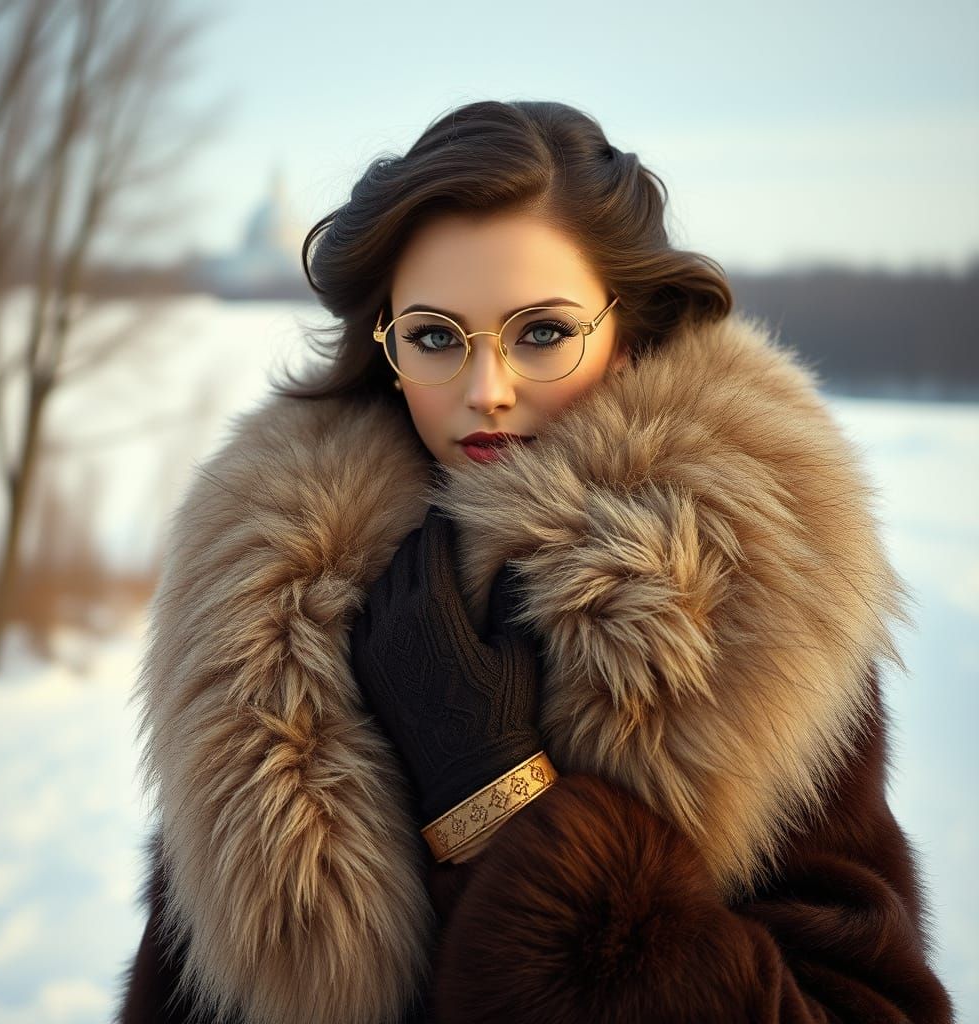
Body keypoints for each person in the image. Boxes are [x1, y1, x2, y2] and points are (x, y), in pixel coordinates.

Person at [115, 99, 953, 1024]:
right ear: (387, 347)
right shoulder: (270, 611)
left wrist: (497, 795)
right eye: (436, 336)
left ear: (628, 336)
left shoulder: (755, 611)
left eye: (543, 333)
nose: (486, 390)